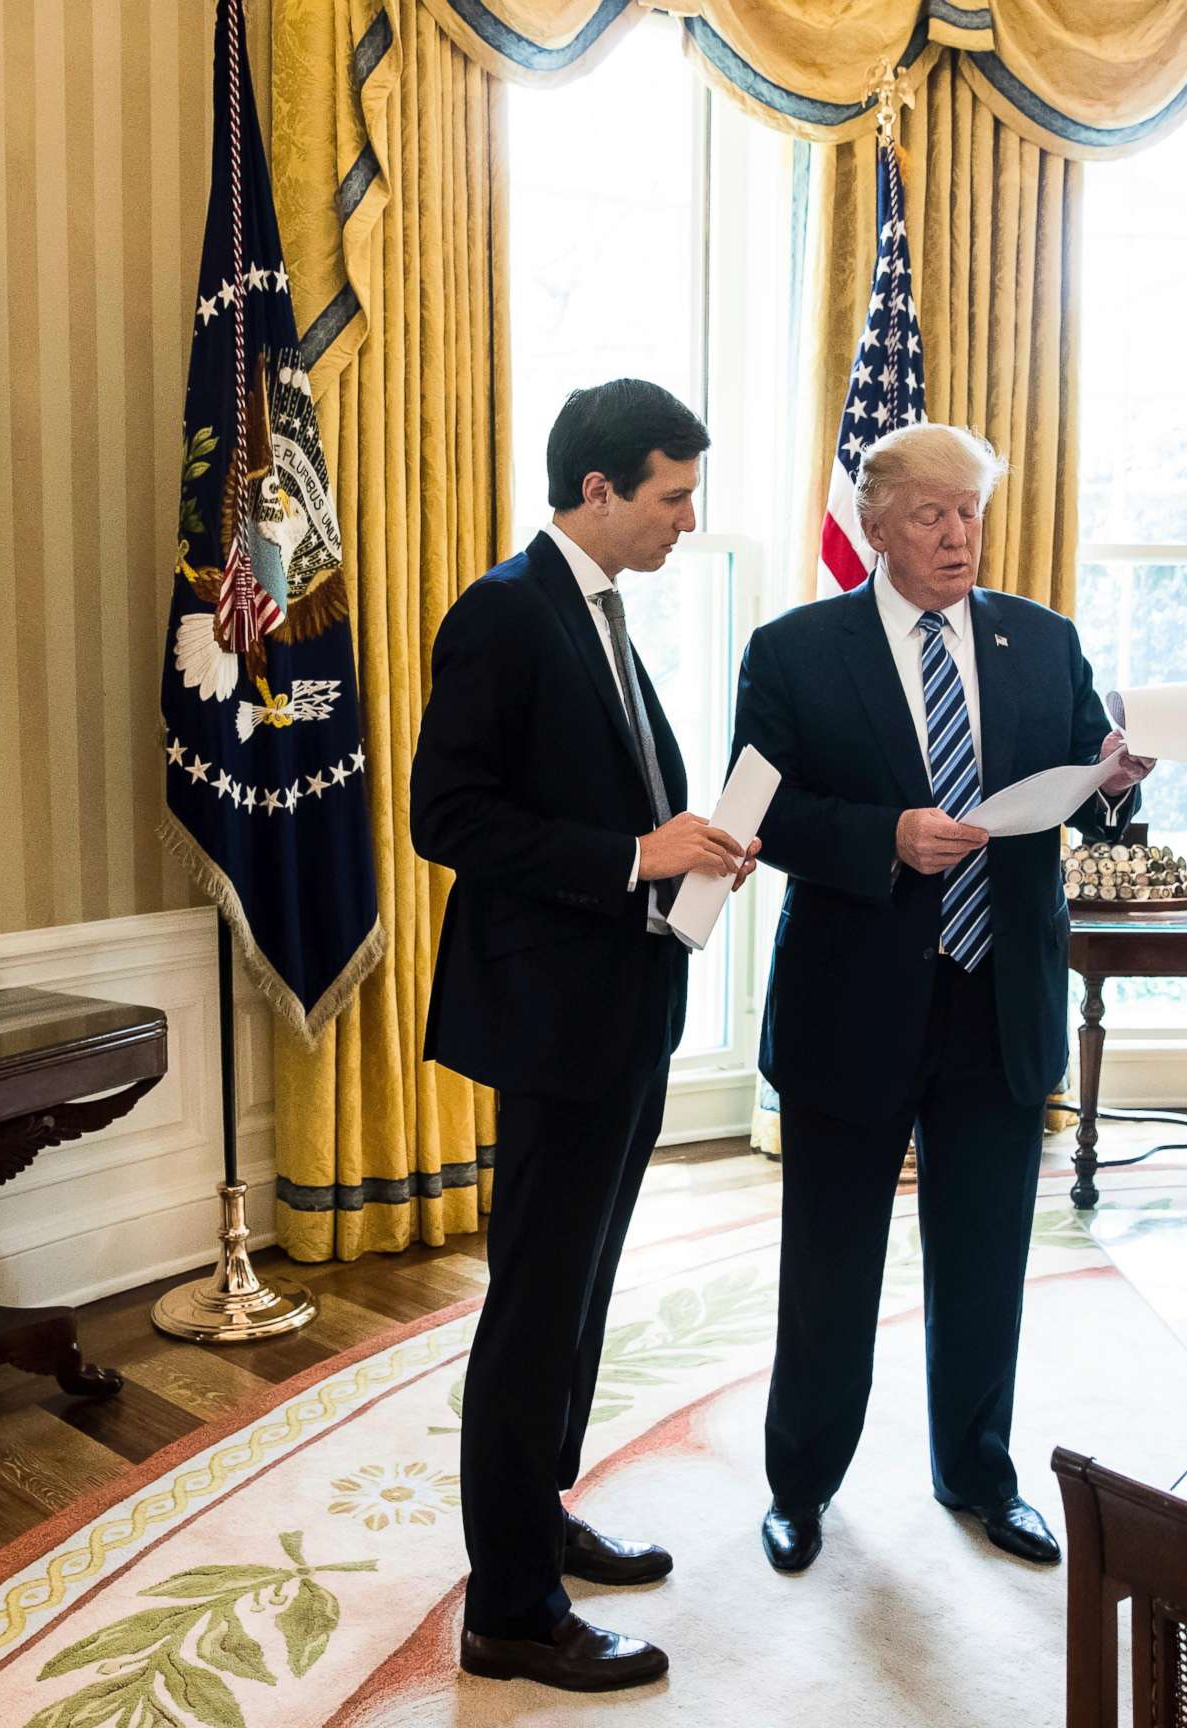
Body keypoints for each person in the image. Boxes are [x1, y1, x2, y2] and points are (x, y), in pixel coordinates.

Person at [731, 422, 1152, 1580]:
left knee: (983, 1261)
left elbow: (1087, 786)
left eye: (970, 511)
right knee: (831, 1267)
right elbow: (756, 818)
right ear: (876, 526)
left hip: (997, 1002)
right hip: (850, 1004)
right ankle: (800, 1487)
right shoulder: (796, 651)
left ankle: (978, 1475)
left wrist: (1118, 780)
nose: (959, 533)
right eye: (932, 513)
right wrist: (884, 837)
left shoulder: (1043, 640)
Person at [409, 378, 759, 1692]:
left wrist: (694, 850)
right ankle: (508, 1608)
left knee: (584, 1293)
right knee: (534, 1304)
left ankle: (535, 1519)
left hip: (623, 1010)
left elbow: (613, 801)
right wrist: (633, 851)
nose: (686, 522)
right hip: (552, 1020)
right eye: (673, 496)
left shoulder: (599, 614)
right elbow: (446, 818)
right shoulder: (503, 614)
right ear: (599, 489)